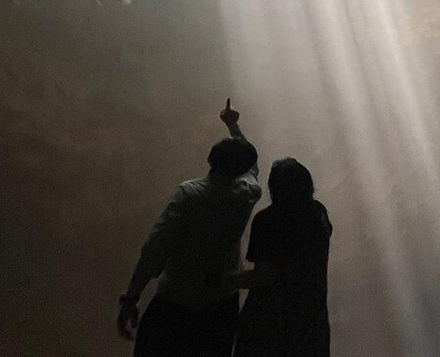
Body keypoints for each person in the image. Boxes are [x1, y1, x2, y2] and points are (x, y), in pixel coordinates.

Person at [117, 98, 261, 357]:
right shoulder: (246, 194)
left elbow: (154, 250)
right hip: (220, 308)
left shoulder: (189, 195)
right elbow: (252, 164)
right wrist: (234, 125)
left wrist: (131, 298)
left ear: (211, 159)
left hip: (176, 303)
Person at [223, 158, 333, 357]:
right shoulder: (319, 214)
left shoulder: (268, 221)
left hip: (272, 322)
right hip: (311, 316)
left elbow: (264, 275)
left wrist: (224, 281)